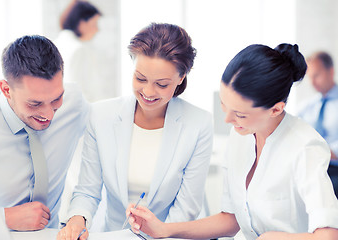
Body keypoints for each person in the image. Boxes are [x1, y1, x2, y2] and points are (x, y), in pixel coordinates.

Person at [126, 44, 338, 240]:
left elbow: (327, 235)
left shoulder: (305, 146)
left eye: (240, 114)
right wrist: (163, 229)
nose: (228, 120)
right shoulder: (240, 135)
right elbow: (231, 219)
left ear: (276, 109)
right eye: (224, 105)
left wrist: (270, 238)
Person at [57, 23, 213, 240]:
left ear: (181, 77)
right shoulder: (101, 115)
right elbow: (87, 191)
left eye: (161, 84)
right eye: (140, 78)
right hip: (112, 235)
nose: (148, 92)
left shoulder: (199, 123)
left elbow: (187, 207)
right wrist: (77, 219)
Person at [0, 35, 90, 231]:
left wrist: (79, 215)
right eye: (35, 103)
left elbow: (111, 128)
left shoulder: (74, 104)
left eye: (57, 99)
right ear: (6, 90)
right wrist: (4, 217)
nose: (48, 114)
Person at [298, 51, 338, 197]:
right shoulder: (307, 107)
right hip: (312, 168)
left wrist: (328, 151)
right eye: (310, 77)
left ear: (331, 71)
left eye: (316, 76)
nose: (312, 82)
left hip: (334, 170)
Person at [55, 0, 112, 102]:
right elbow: (81, 93)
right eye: (94, 24)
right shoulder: (79, 50)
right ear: (81, 23)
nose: (97, 30)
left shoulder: (55, 44)